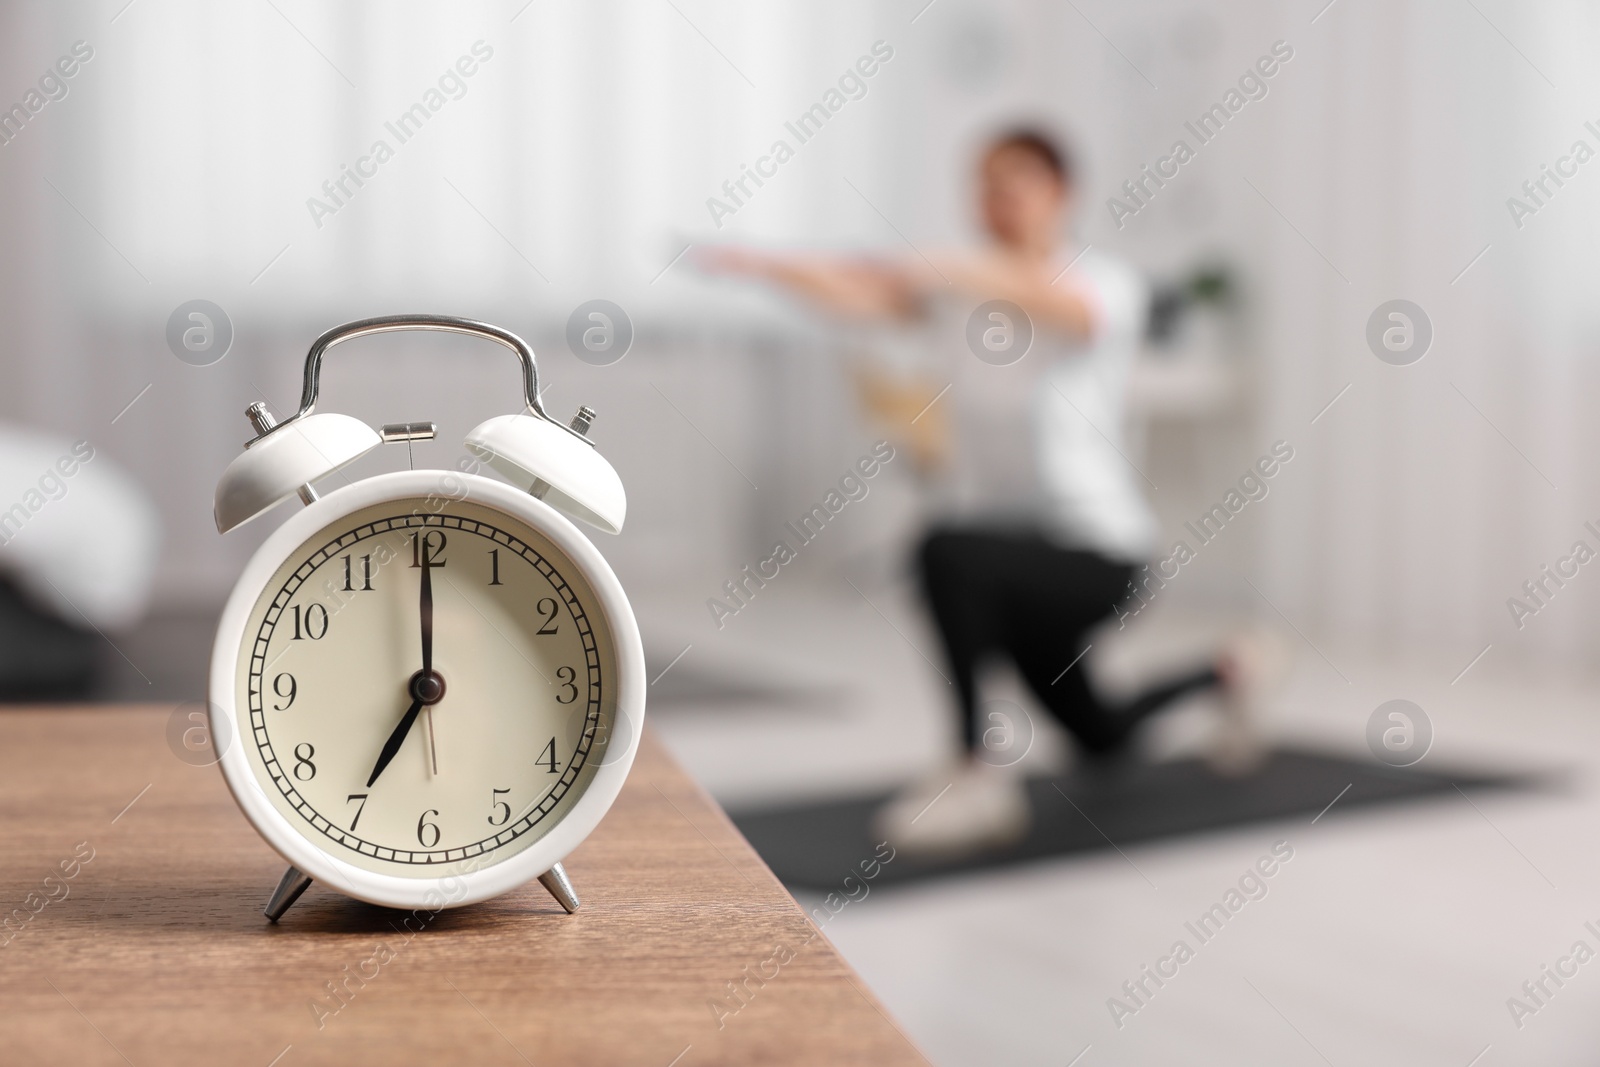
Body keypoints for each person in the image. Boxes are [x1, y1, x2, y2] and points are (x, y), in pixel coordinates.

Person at [701, 128, 1280, 855]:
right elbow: (860, 292)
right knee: (1101, 737)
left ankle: (975, 771)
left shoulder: (1101, 283)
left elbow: (1070, 312)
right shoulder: (958, 298)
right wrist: (759, 265)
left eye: (1014, 184)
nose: (996, 200)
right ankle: (1229, 670)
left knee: (944, 548)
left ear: (1060, 195)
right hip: (1010, 561)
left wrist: (948, 268)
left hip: (1098, 555)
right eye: (984, 185)